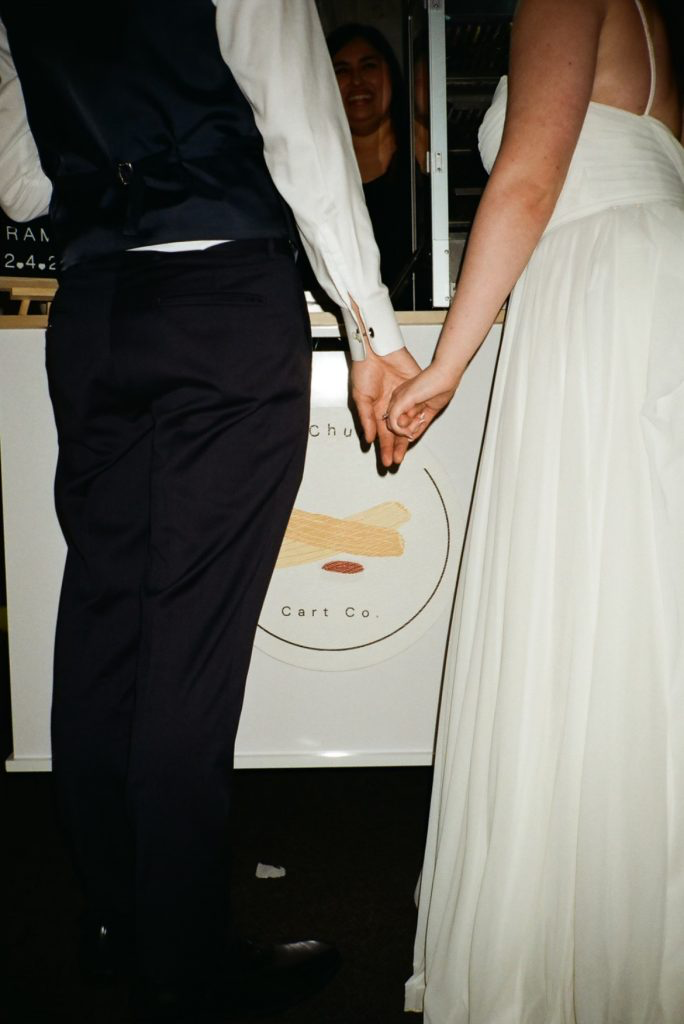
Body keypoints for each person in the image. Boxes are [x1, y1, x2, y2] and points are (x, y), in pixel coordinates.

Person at [0, 1, 425, 1021]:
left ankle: (114, 920)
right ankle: (181, 949)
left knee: (105, 623)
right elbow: (298, 121)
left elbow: (20, 178)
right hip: (221, 294)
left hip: (95, 308)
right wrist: (371, 326)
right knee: (187, 639)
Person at [386, 0, 684, 1020]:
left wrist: (446, 365)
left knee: (582, 613)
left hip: (597, 296)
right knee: (642, 613)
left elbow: (526, 176)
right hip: (642, 287)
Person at [328, 23, 427, 308]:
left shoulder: (424, 156)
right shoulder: (312, 172)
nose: (356, 81)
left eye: (368, 66)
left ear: (391, 75)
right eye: (341, 70)